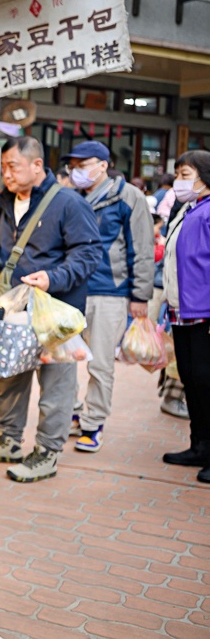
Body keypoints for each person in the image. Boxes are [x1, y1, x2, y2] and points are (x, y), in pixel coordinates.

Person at [0, 136, 102, 483]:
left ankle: (47, 452)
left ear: (37, 165)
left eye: (13, 166)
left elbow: (88, 253)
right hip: (15, 310)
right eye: (3, 166)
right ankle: (9, 439)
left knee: (56, 384)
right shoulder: (3, 203)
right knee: (10, 378)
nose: (6, 173)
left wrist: (54, 277)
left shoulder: (67, 202)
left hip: (55, 311)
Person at [63, 141, 154, 452]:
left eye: (82, 164)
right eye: (72, 166)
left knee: (100, 363)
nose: (76, 171)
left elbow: (142, 248)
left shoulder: (129, 197)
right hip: (72, 290)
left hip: (110, 293)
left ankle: (93, 423)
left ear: (103, 164)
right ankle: (74, 412)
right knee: (63, 358)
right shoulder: (71, 197)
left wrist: (140, 295)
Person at [160, 150, 210, 484]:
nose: (180, 180)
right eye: (178, 173)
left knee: (207, 382)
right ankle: (200, 445)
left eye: (186, 173)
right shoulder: (188, 209)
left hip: (203, 313)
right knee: (192, 380)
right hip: (183, 311)